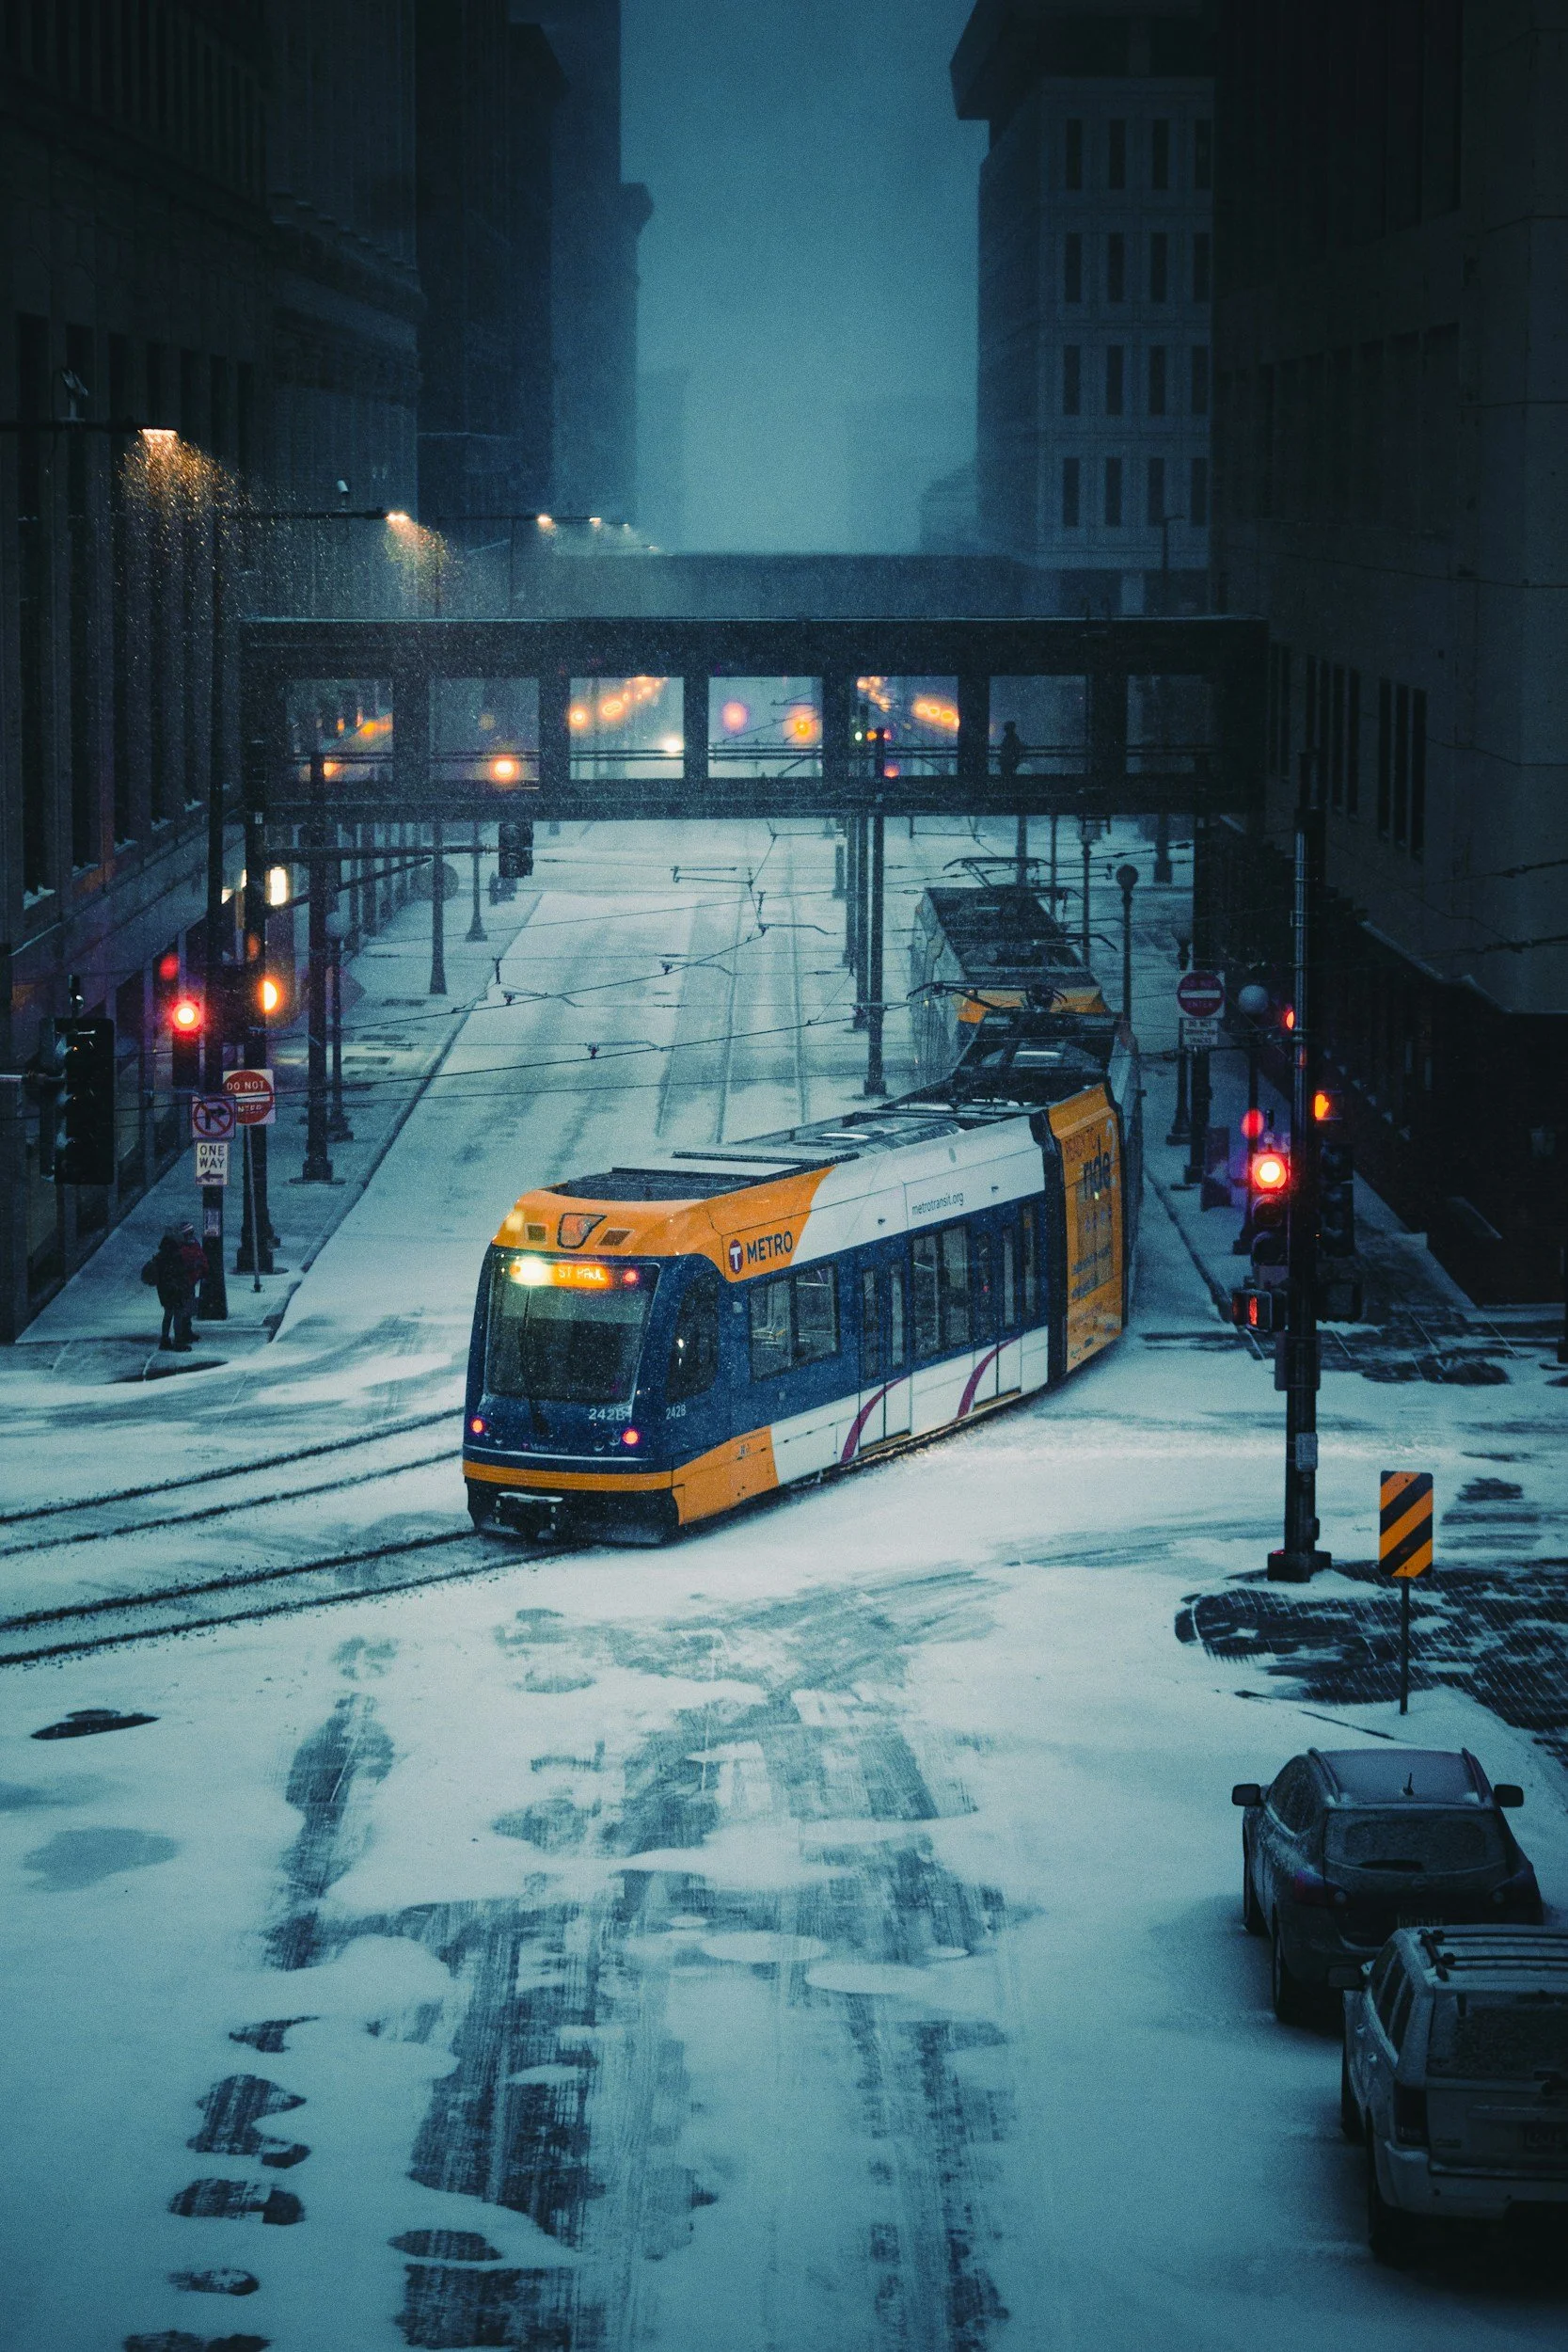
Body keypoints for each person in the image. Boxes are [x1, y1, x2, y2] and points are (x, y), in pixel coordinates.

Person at [147, 1223, 204, 1351]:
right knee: (178, 1315)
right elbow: (179, 1271)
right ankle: (178, 1341)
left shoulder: (162, 1255)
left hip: (165, 1290)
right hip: (175, 1289)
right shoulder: (175, 1254)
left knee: (168, 1315)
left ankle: (165, 1340)